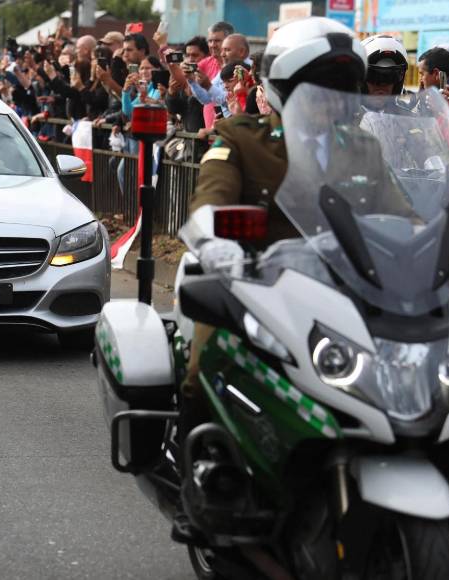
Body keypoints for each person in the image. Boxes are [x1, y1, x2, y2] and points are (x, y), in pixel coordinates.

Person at [172, 16, 369, 544]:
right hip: (256, 289)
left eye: (339, 90)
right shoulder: (240, 136)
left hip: (346, 294)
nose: (329, 101)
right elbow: (209, 198)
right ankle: (199, 482)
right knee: (204, 364)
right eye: (316, 89)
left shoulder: (363, 149)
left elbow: (403, 216)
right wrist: (216, 243)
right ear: (282, 90)